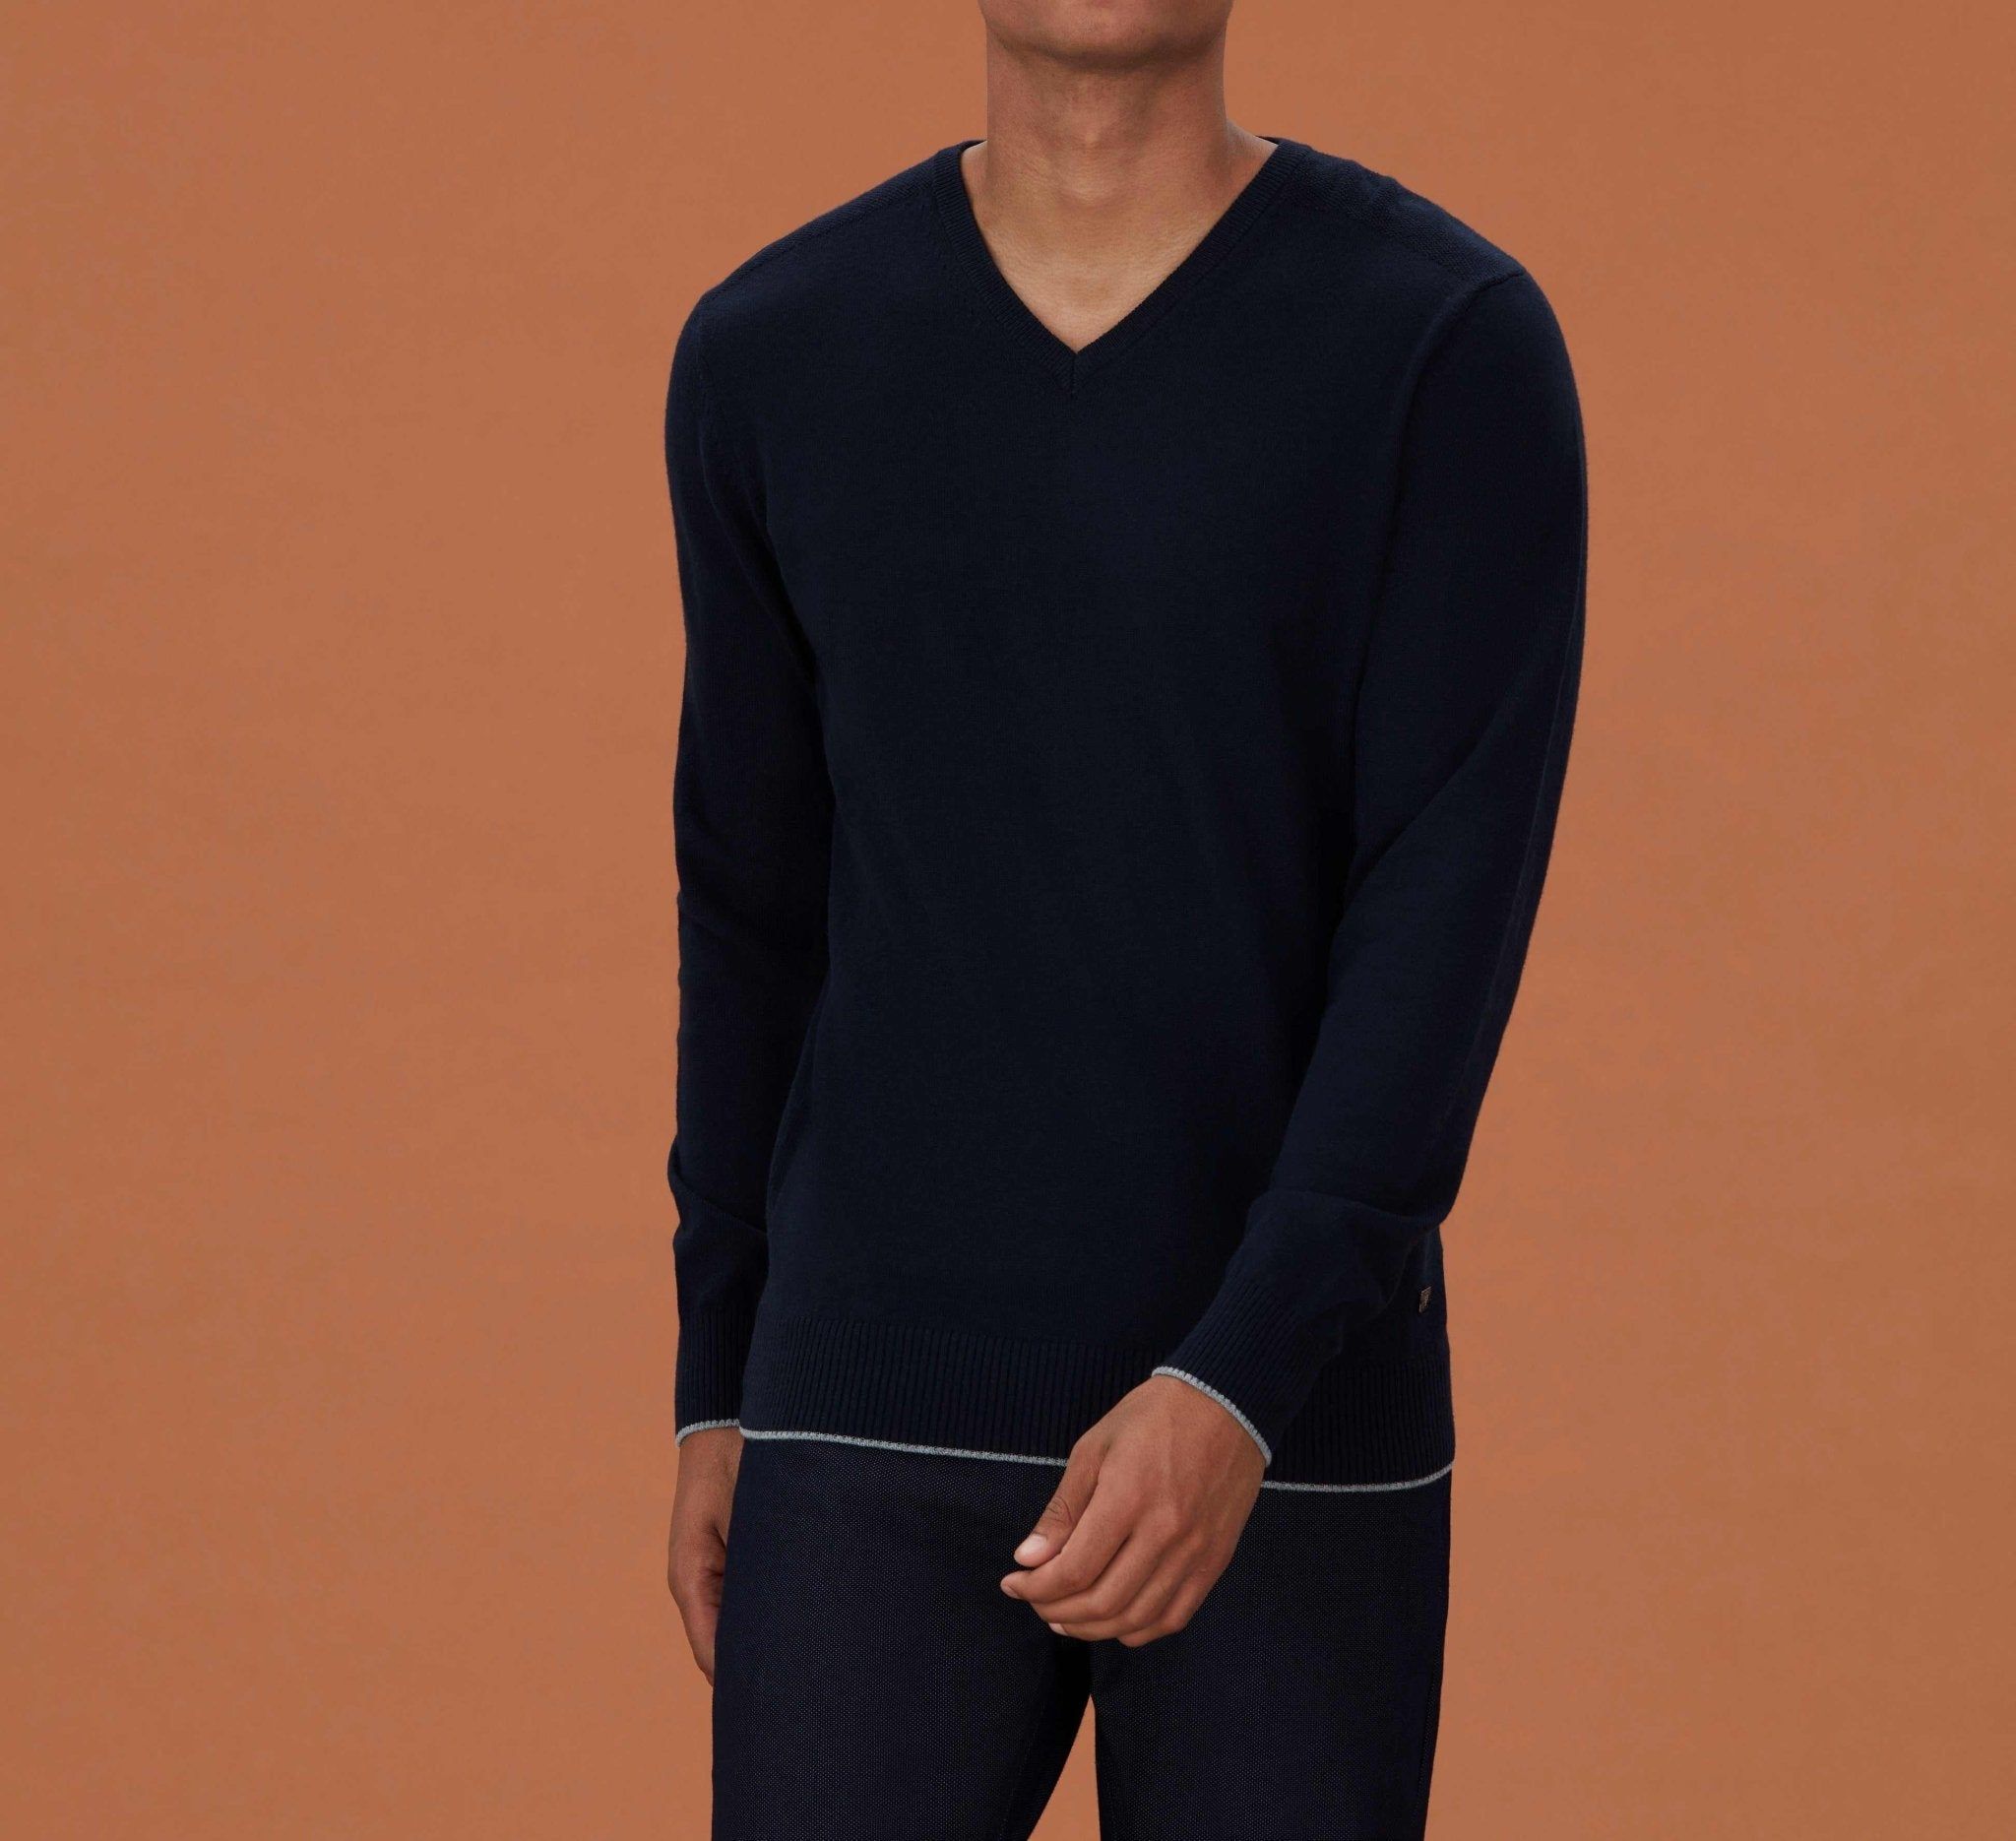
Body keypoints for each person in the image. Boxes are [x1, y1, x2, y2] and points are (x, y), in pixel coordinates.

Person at [662, 2, 1584, 1834]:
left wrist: (1240, 1375)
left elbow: (1445, 915)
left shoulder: (1439, 346)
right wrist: (717, 1376)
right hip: (867, 1417)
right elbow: (752, 898)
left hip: (1294, 1430)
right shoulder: (775, 350)